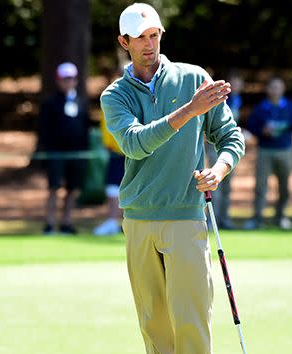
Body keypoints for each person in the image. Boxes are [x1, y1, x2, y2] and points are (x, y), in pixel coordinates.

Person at [100, 3, 245, 353]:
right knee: (154, 327)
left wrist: (219, 170)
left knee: (192, 323)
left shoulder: (194, 78)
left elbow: (231, 137)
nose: (149, 45)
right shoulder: (114, 96)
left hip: (185, 215)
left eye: (154, 36)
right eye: (140, 39)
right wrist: (188, 111)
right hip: (139, 218)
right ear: (124, 42)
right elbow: (135, 144)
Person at [244, 77, 292, 230]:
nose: (275, 90)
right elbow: (251, 127)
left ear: (283, 89)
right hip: (265, 150)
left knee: (284, 186)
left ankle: (281, 216)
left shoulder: (290, 106)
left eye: (278, 87)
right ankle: (257, 218)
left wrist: (285, 125)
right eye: (273, 87)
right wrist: (262, 131)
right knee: (261, 186)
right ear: (268, 89)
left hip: (285, 150)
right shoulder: (261, 108)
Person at [37, 62, 89, 235]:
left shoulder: (81, 101)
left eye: (73, 78)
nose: (69, 82)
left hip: (77, 152)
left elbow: (85, 126)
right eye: (66, 79)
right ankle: (50, 223)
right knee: (54, 187)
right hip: (56, 152)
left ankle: (66, 222)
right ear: (59, 80)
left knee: (72, 188)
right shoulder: (50, 102)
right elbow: (43, 128)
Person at [204, 73, 244, 229]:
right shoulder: (218, 98)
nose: (236, 86)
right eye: (234, 82)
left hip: (228, 147)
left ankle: (225, 218)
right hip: (214, 146)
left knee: (227, 186)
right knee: (215, 183)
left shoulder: (237, 100)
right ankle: (213, 219)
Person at [93, 111, 125, 236]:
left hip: (133, 150)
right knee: (112, 187)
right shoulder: (109, 98)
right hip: (115, 151)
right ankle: (113, 221)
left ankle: (125, 222)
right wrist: (108, 144)